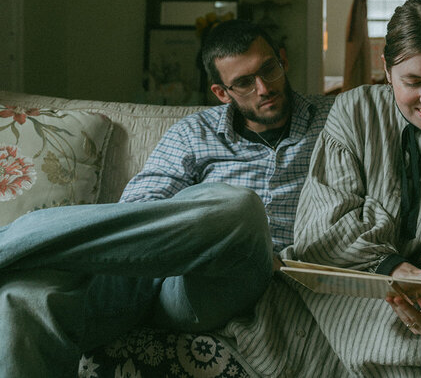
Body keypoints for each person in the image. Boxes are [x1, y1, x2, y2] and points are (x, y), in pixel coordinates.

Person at [0, 19, 334, 377]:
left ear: (282, 59)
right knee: (23, 297)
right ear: (222, 93)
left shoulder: (335, 119)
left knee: (238, 207)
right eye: (243, 83)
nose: (264, 88)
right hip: (153, 273)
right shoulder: (193, 132)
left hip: (228, 278)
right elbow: (139, 213)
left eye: (269, 69)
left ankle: (12, 241)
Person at [222, 0, 421, 377]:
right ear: (385, 69)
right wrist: (403, 272)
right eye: (412, 82)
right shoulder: (354, 110)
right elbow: (322, 229)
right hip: (351, 286)